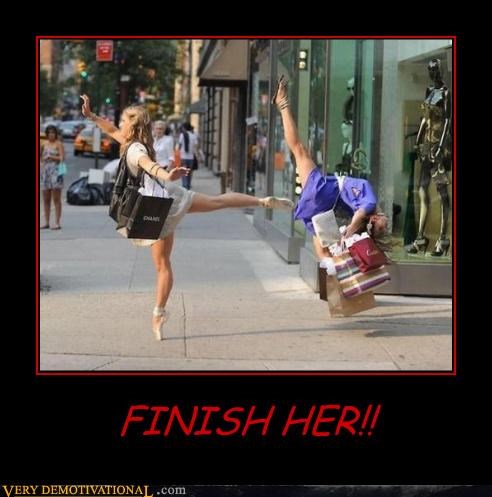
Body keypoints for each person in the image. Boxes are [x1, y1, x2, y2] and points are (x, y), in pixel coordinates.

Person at [80, 95, 294, 341]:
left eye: (122, 121)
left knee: (162, 265)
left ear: (132, 125)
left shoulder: (135, 149)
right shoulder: (132, 142)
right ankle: (261, 201)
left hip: (156, 208)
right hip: (169, 195)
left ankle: (159, 314)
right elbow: (110, 130)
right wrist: (92, 116)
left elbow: (148, 165)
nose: (119, 124)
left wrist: (166, 175)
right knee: (218, 201)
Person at [271, 75, 391, 265]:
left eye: (382, 226)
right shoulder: (363, 211)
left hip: (325, 192)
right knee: (325, 251)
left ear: (376, 218)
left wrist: (349, 231)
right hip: (323, 205)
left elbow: (360, 215)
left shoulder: (369, 203)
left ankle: (283, 104)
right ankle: (332, 271)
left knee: (299, 150)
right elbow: (359, 217)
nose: (386, 224)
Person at [405, 58, 451, 257]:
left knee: (441, 191)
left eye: (436, 70)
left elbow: (448, 120)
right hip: (426, 145)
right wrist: (418, 140)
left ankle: (442, 239)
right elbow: (425, 119)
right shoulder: (429, 91)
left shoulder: (446, 93)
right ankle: (420, 238)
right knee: (422, 189)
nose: (434, 73)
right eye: (431, 70)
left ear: (441, 71)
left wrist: (441, 145)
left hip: (440, 145)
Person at [40, 124, 65, 230]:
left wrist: (51, 157)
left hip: (56, 172)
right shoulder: (44, 144)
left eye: (53, 132)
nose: (51, 135)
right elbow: (41, 157)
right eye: (49, 133)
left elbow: (62, 158)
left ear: (56, 134)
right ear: (47, 134)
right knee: (46, 198)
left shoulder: (59, 144)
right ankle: (46, 222)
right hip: (45, 173)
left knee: (56, 198)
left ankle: (57, 222)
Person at [178, 122, 198, 189]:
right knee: (189, 172)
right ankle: (188, 185)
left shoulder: (182, 135)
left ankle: (184, 185)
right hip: (191, 157)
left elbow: (179, 145)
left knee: (183, 172)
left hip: (183, 156)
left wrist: (177, 153)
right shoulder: (193, 136)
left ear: (184, 128)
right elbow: (196, 146)